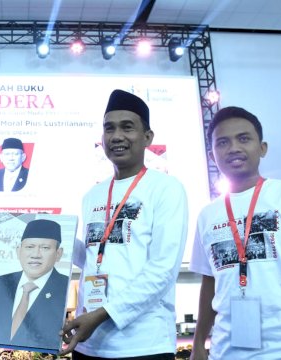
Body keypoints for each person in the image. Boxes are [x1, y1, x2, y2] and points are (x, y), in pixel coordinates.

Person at [188, 106, 281, 360]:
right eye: (223, 142)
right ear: (213, 155)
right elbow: (209, 283)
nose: (234, 148)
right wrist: (197, 344)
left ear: (263, 148)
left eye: (244, 138)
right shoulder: (207, 215)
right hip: (224, 352)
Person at [60, 89, 189, 360]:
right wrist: (56, 239)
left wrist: (102, 315)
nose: (116, 136)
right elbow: (96, 259)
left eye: (127, 127)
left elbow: (163, 269)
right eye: (109, 129)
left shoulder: (166, 189)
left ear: (147, 137)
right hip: (89, 343)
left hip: (143, 344)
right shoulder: (92, 195)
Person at [0, 219, 69, 350]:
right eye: (29, 247)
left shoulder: (65, 286)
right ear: (19, 251)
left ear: (58, 254)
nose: (36, 255)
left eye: (45, 248)